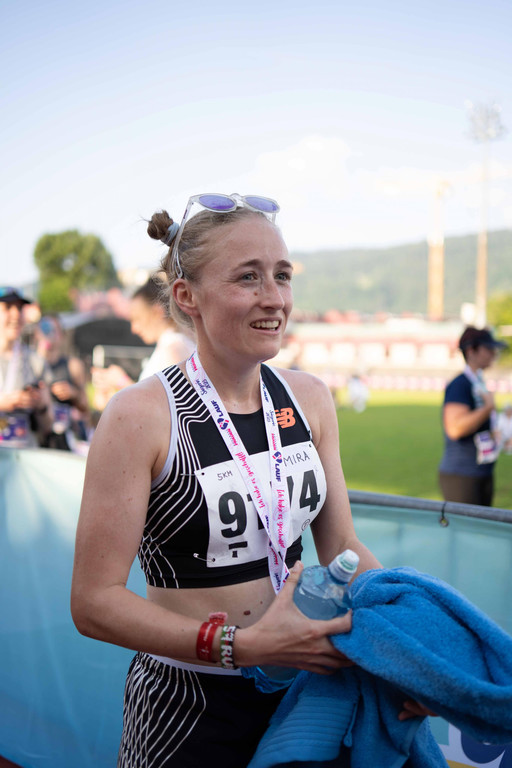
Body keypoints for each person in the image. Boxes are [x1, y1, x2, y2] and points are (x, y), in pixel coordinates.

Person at [71, 193, 432, 768]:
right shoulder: (139, 415)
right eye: (248, 277)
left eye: (282, 275)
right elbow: (94, 602)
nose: (274, 298)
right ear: (187, 296)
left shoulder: (309, 397)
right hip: (188, 707)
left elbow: (342, 546)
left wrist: (408, 653)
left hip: (306, 691)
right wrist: (239, 647)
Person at [91, 274, 195, 409]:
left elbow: (170, 407)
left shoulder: (174, 349)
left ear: (157, 312)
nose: (134, 329)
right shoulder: (171, 346)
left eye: (137, 319)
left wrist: (121, 381)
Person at [439, 326, 507, 506]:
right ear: (471, 351)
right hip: (462, 475)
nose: (493, 353)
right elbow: (455, 428)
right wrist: (488, 408)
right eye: (488, 348)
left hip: (481, 472)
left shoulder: (478, 381)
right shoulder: (460, 385)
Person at [0, 287, 53, 448]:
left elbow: (48, 426)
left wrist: (41, 406)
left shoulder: (36, 362)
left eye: (20, 308)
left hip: (23, 457)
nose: (16, 315)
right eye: (8, 307)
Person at [35, 314, 91, 450]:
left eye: (54, 330)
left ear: (62, 335)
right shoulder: (30, 364)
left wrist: (73, 394)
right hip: (37, 438)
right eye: (45, 329)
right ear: (37, 333)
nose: (50, 335)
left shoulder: (73, 365)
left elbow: (86, 408)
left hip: (64, 440)